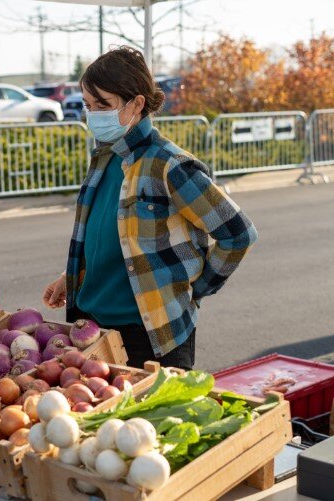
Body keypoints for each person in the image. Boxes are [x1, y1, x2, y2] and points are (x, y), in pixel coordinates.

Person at [42, 47, 257, 370]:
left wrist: (192, 290)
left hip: (152, 336)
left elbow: (238, 234)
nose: (94, 114)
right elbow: (111, 236)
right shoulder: (104, 158)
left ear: (137, 104)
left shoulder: (169, 164)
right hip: (92, 330)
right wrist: (72, 277)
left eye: (104, 105)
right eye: (89, 105)